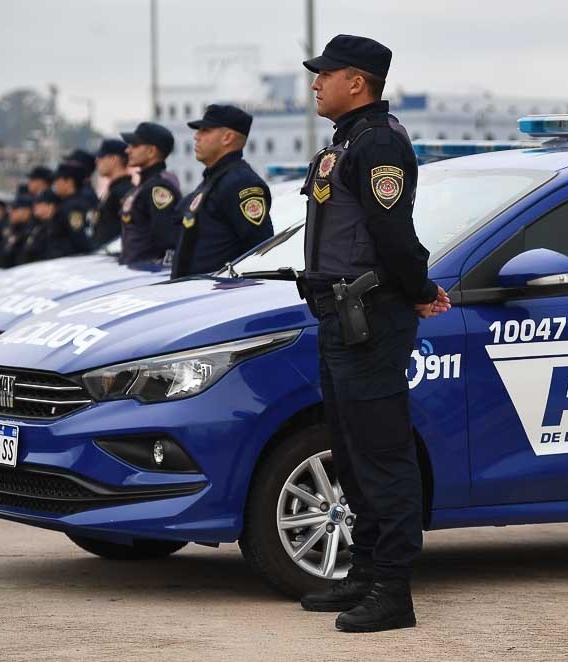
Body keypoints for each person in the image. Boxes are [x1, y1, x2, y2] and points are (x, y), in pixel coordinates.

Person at [296, 34, 451, 633]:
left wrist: (418, 290)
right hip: (339, 317)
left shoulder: (379, 142)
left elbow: (393, 235)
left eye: (324, 75)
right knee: (353, 450)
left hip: (370, 319)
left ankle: (393, 589)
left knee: (383, 454)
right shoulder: (349, 141)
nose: (315, 84)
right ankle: (364, 572)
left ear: (356, 82)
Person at [170, 104, 274, 278]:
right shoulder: (213, 179)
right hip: (195, 291)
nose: (196, 136)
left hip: (216, 294)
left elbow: (259, 248)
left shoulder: (242, 183)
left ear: (227, 137)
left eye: (205, 131)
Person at [118, 122, 182, 264]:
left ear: (151, 151)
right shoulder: (144, 185)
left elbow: (166, 237)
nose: (128, 150)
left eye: (134, 145)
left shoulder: (158, 187)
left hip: (147, 273)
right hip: (135, 270)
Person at [91, 139, 134, 247]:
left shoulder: (124, 192)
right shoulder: (113, 191)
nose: (97, 161)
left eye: (101, 157)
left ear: (114, 159)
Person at [48, 163, 93, 258]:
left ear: (69, 182)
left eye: (57, 180)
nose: (54, 184)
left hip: (68, 260)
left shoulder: (72, 206)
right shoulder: (68, 203)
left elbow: (79, 237)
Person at [20, 189, 58, 264]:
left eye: (39, 203)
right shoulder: (38, 225)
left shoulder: (58, 226)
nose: (35, 207)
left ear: (50, 206)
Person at [0, 194, 35, 268]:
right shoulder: (14, 229)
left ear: (27, 210)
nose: (11, 213)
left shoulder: (35, 229)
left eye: (15, 209)